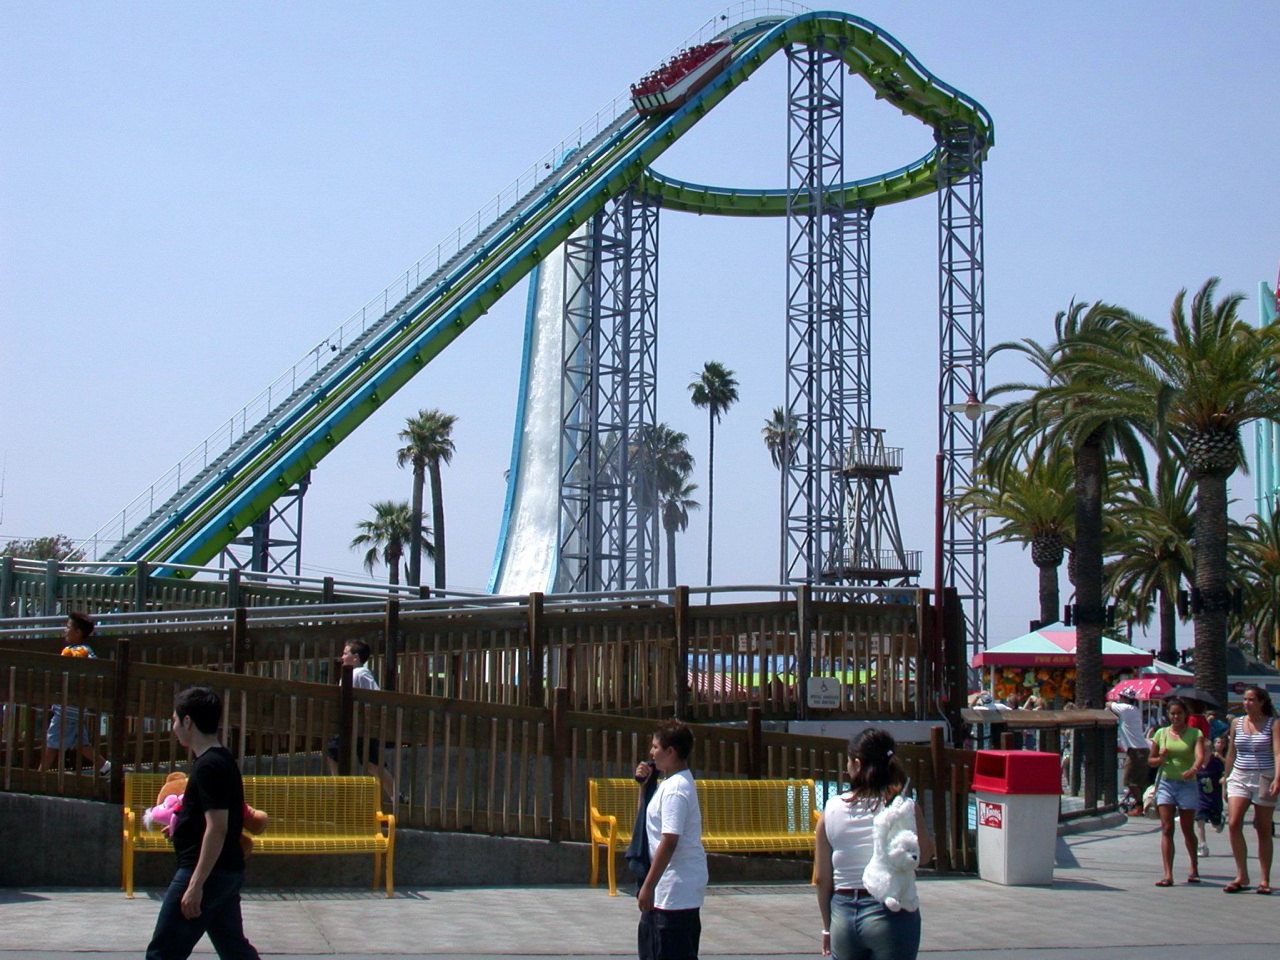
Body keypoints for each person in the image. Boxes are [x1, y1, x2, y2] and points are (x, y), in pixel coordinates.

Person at [145, 686, 260, 960]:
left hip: (208, 873)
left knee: (162, 953)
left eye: (174, 720)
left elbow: (218, 828)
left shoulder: (210, 766)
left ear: (188, 721)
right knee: (235, 951)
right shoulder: (218, 760)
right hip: (224, 872)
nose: (173, 727)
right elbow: (211, 818)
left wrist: (195, 886)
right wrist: (182, 826)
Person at [815, 728, 935, 960]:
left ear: (857, 764)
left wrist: (827, 927)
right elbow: (927, 856)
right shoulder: (905, 808)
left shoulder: (831, 809)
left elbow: (822, 879)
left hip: (844, 913)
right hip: (891, 912)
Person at [634, 719, 707, 960]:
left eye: (655, 747)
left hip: (674, 891)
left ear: (671, 751)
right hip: (671, 889)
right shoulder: (669, 783)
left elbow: (670, 840)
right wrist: (644, 788)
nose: (651, 752)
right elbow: (648, 823)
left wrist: (648, 885)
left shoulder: (676, 789)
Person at [1222, 684, 1280, 894]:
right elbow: (1231, 753)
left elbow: (1277, 753)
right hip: (1240, 775)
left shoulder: (1273, 724)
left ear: (1262, 702)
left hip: (1264, 776)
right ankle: (1242, 875)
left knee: (1263, 828)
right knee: (1234, 822)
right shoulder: (1237, 723)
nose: (1246, 704)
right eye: (1245, 700)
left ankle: (1264, 879)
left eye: (1251, 700)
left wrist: (1278, 778)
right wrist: (1226, 779)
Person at [39, 612, 110, 776]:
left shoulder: (84, 651)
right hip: (69, 706)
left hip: (69, 707)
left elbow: (93, 666)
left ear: (78, 632)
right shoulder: (70, 650)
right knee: (79, 743)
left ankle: (39, 776)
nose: (65, 630)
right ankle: (106, 767)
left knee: (52, 743)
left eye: (68, 627)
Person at [325, 640, 396, 802]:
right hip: (353, 726)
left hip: (362, 726)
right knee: (335, 753)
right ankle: (341, 791)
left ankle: (395, 796)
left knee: (371, 763)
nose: (342, 657)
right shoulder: (350, 673)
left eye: (345, 653)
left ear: (355, 657)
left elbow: (375, 695)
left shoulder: (361, 673)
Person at [1148, 697, 1206, 886]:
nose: (1175, 717)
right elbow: (1151, 761)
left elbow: (1199, 755)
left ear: (1185, 715)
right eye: (1172, 713)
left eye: (1179, 713)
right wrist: (1160, 758)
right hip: (1166, 782)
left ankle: (1194, 867)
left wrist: (1194, 769)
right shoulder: (1161, 733)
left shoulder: (1194, 733)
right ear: (1168, 715)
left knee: (1187, 828)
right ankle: (1168, 874)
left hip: (1187, 784)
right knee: (1166, 828)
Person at [1108, 688, 1150, 816]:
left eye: (1121, 697)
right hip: (1141, 749)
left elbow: (1108, 704)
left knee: (1129, 781)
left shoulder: (1126, 708)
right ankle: (1140, 804)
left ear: (1126, 699)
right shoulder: (1135, 710)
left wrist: (1111, 707)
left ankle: (1139, 805)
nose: (1119, 699)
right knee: (1138, 781)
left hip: (1136, 750)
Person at [1194, 734, 1227, 857]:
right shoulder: (1196, 765)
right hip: (1200, 800)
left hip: (1214, 800)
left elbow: (1224, 772)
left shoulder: (1215, 764)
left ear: (1211, 752)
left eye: (1206, 751)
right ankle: (1202, 845)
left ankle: (1220, 821)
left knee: (1216, 824)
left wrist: (1224, 777)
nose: (1203, 754)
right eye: (1200, 751)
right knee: (1200, 821)